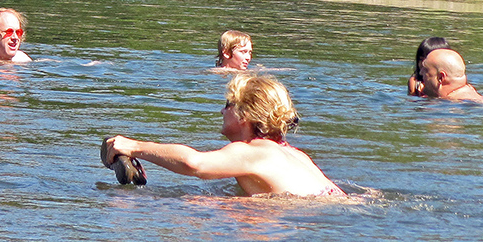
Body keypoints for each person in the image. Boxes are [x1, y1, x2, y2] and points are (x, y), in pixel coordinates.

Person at [102, 73, 346, 197]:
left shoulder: (254, 152)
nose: (221, 110)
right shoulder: (294, 154)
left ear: (245, 115)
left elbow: (194, 163)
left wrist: (133, 146)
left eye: (228, 104)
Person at [419, 48, 483, 106]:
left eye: (426, 70)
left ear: (441, 78)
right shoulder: (470, 96)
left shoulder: (456, 104)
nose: (421, 73)